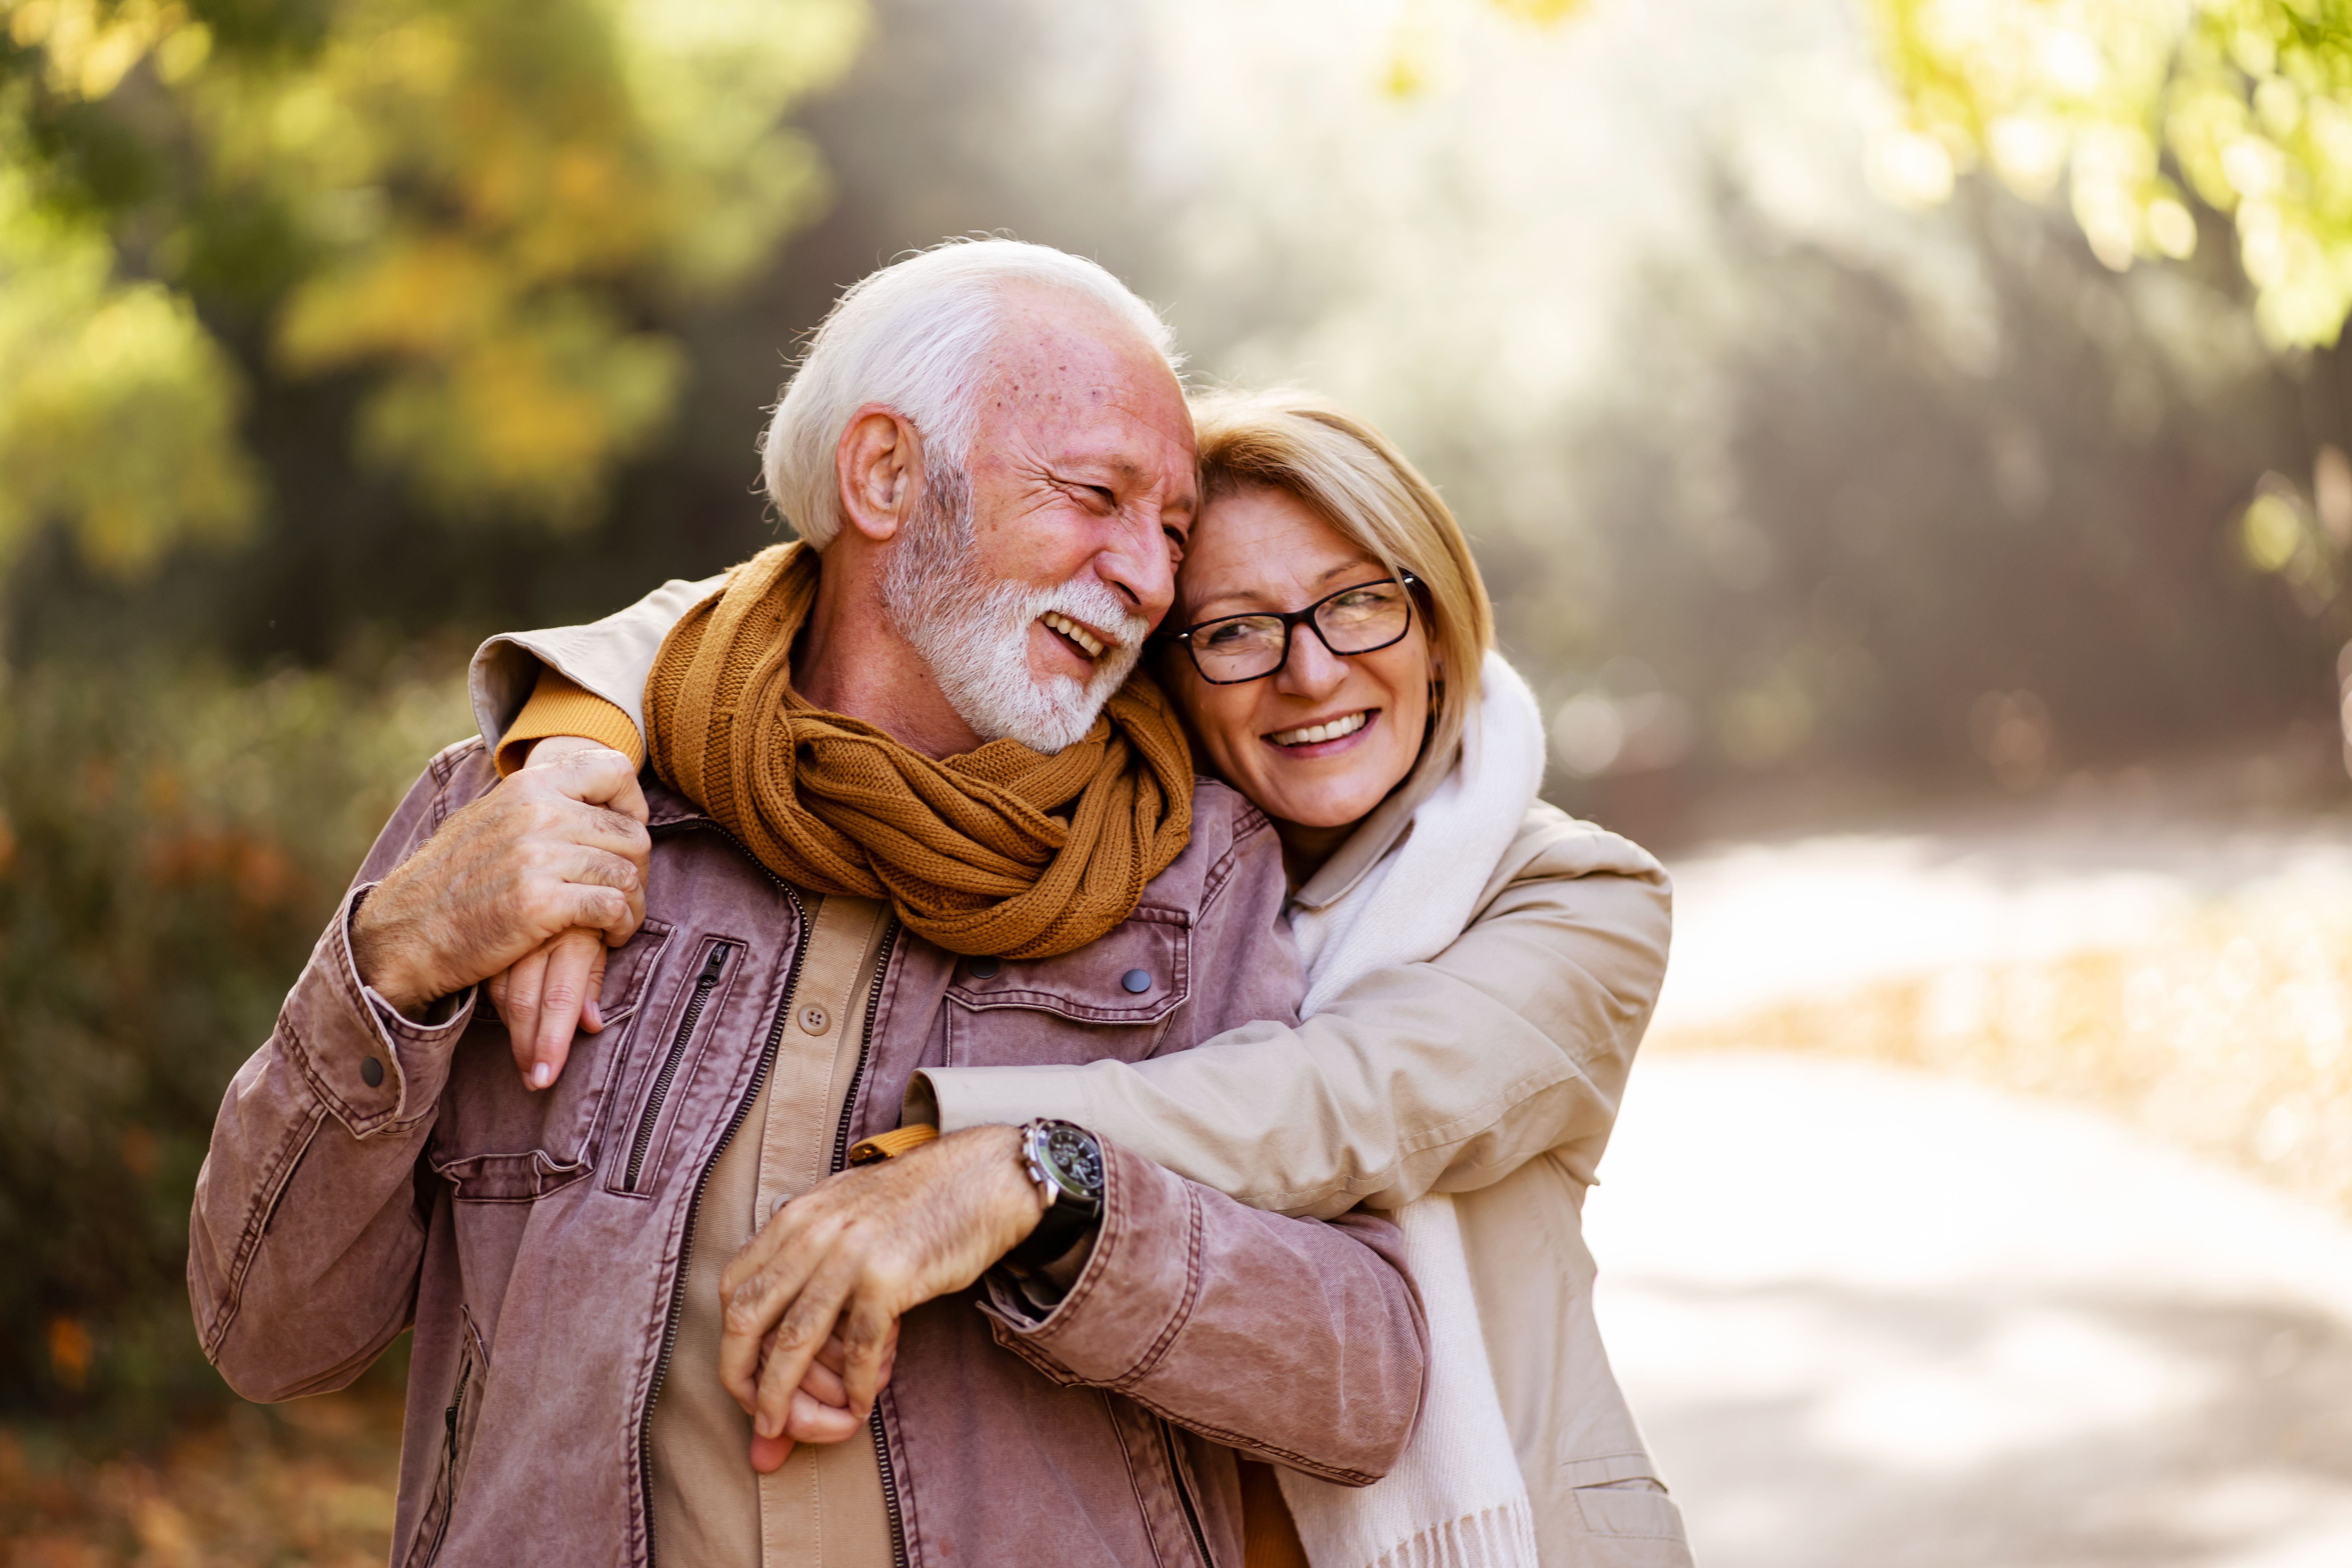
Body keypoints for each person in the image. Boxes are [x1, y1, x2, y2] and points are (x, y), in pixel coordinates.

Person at [188, 240, 1432, 1568]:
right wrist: (392, 957)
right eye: (1094, 496)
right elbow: (269, 1328)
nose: (1146, 576)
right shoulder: (531, 806)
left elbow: (1365, 1384)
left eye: (1172, 529)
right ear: (887, 474)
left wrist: (1050, 1193)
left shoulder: (1203, 871)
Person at [483, 386, 1691, 1566]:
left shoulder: (1578, 898)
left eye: (1356, 605)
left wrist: (1009, 1165)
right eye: (1233, 630)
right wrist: (576, 732)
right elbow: (812, 618)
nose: (1311, 673)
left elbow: (1339, 1097)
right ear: (1160, 660)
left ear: (1437, 625)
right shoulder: (1149, 857)